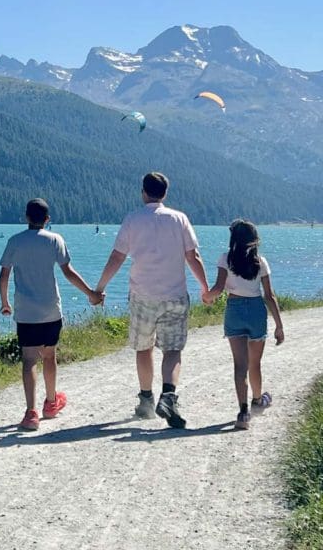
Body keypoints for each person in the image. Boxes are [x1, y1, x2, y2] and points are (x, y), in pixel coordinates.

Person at [94, 172, 208, 428]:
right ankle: (169, 395)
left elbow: (117, 257)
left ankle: (146, 400)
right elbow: (193, 257)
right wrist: (205, 288)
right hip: (175, 294)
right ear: (165, 193)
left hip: (142, 295)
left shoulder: (133, 219)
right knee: (172, 349)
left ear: (143, 192)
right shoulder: (179, 218)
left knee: (143, 347)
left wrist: (99, 288)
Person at [0, 198, 105, 431]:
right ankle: (50, 403)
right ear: (47, 220)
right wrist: (91, 294)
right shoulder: (55, 240)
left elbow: (4, 275)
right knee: (49, 356)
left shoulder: (15, 241)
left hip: (26, 312)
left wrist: (5, 303)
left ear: (26, 217)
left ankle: (30, 413)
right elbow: (68, 272)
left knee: (29, 361)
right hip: (50, 310)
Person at [202, 219, 284, 429]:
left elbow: (219, 288)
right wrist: (279, 325)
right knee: (255, 363)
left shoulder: (225, 259)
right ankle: (258, 399)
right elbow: (270, 296)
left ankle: (243, 412)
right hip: (256, 311)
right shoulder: (261, 262)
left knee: (240, 366)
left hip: (235, 309)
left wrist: (207, 297)